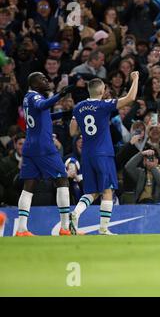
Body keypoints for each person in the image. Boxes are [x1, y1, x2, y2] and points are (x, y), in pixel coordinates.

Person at [69, 71, 140, 235]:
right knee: (107, 189)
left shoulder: (78, 107)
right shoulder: (104, 105)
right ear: (101, 91)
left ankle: (76, 213)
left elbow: (73, 132)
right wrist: (135, 79)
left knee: (92, 191)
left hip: (87, 154)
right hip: (103, 153)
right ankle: (103, 228)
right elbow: (130, 98)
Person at [15, 72, 76, 236]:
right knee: (62, 179)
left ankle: (21, 229)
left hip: (30, 146)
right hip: (44, 148)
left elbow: (42, 114)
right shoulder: (35, 97)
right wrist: (60, 94)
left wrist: (63, 114)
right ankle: (64, 227)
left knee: (29, 186)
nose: (46, 80)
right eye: (42, 79)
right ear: (34, 84)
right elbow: (42, 106)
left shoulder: (28, 98)